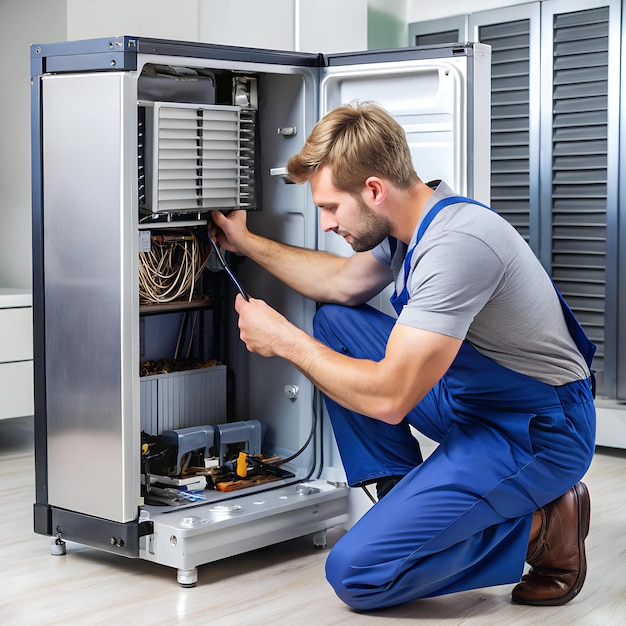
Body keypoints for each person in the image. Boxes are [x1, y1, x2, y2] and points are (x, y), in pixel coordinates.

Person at [211, 101, 596, 610]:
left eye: (329, 207)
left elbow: (391, 398)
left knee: (359, 573)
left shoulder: (456, 244)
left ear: (374, 190)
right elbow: (338, 283)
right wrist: (244, 241)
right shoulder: (409, 225)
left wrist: (283, 340)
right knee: (335, 321)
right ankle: (402, 506)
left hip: (537, 428)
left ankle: (544, 528)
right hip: (470, 399)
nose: (325, 223)